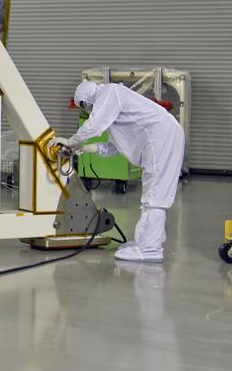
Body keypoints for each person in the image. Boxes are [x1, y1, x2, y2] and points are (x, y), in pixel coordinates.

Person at [61, 80, 185, 263]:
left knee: (155, 196)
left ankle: (150, 249)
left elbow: (95, 125)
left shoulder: (111, 92)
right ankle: (144, 243)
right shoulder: (115, 109)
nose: (86, 111)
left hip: (161, 137)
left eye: (85, 106)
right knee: (152, 195)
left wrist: (71, 140)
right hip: (158, 138)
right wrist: (87, 147)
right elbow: (116, 145)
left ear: (88, 99)